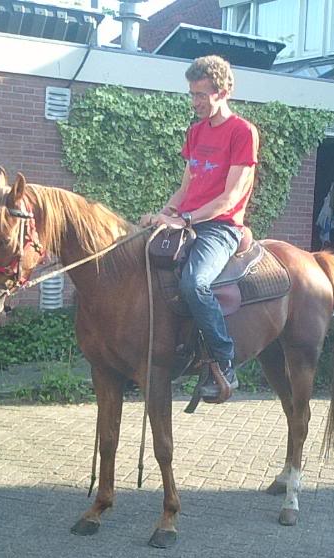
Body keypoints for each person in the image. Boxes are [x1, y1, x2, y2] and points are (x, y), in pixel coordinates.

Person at [142, 55, 259, 400]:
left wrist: (185, 219)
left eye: (201, 95)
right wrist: (162, 214)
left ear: (222, 91)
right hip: (187, 221)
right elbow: (186, 187)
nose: (194, 102)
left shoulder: (242, 132)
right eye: (191, 94)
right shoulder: (194, 132)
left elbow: (230, 197)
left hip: (220, 228)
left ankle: (224, 361)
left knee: (195, 283)